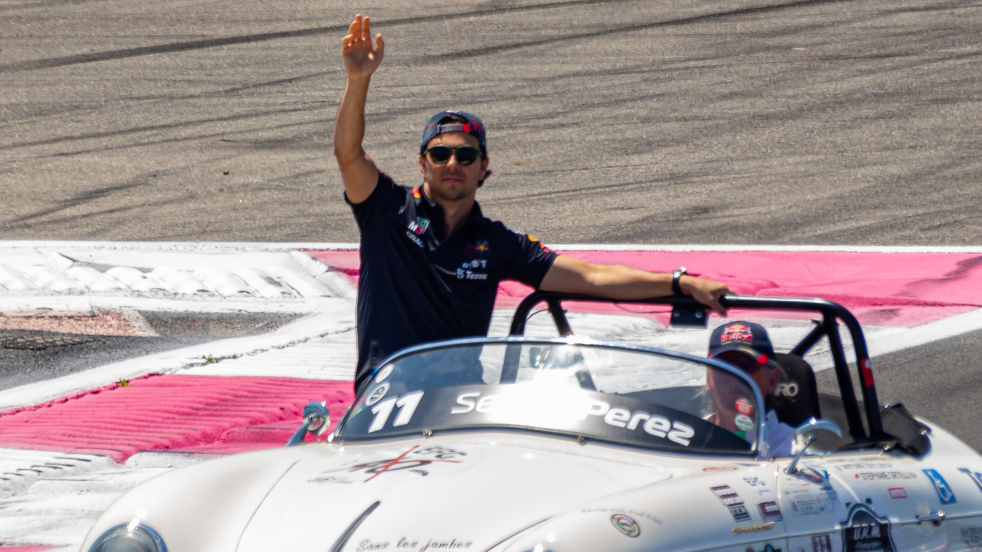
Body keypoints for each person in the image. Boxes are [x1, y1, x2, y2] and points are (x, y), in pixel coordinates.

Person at [334, 14, 732, 388]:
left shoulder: (498, 243)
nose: (452, 163)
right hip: (383, 398)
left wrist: (679, 283)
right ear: (423, 163)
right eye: (440, 155)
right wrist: (358, 80)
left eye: (466, 155)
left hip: (456, 403)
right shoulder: (386, 210)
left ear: (483, 166)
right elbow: (349, 154)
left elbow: (592, 278)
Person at [706, 321, 798, 458]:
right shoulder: (688, 434)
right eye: (723, 365)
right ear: (709, 379)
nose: (734, 375)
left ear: (772, 380)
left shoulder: (792, 451)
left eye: (747, 364)